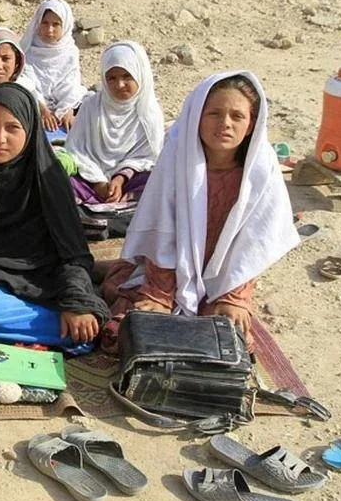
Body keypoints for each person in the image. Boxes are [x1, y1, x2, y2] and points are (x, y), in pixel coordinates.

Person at [99, 72, 299, 355]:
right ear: (197, 117)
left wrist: (234, 296)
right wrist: (159, 291)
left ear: (252, 124)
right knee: (123, 334)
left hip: (224, 276)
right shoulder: (176, 158)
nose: (225, 124)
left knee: (226, 336)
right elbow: (161, 227)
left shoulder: (261, 170)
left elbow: (255, 244)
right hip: (166, 269)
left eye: (237, 116)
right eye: (214, 113)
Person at [0, 83, 109, 354]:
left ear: (29, 130)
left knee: (80, 325)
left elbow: (73, 254)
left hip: (39, 277)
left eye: (12, 128)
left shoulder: (47, 176)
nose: (0, 138)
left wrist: (76, 302)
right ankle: (49, 332)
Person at [64, 41, 164, 205]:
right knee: (57, 177)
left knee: (158, 180)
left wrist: (120, 177)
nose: (119, 85)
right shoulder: (91, 106)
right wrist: (99, 182)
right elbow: (77, 150)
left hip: (129, 181)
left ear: (140, 74)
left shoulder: (149, 112)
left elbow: (148, 157)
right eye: (111, 78)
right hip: (89, 181)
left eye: (127, 76)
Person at [20, 0, 89, 133]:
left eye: (56, 24)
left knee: (91, 103)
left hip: (63, 107)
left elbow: (71, 84)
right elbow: (24, 82)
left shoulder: (70, 51)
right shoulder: (27, 50)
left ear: (65, 25)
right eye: (44, 23)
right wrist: (43, 109)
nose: (49, 30)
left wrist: (67, 109)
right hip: (35, 106)